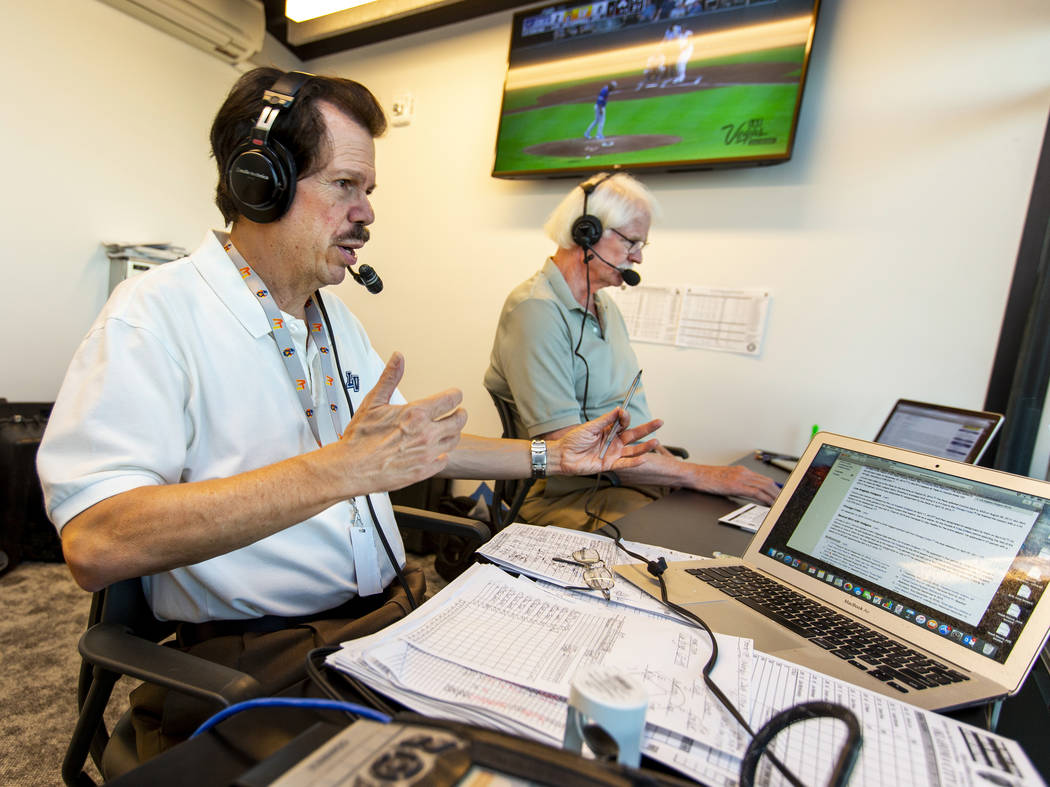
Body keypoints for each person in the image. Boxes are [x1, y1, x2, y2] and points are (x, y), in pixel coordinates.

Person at [36, 69, 659, 757]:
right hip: (260, 660)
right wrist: (337, 470)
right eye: (345, 186)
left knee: (565, 720)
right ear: (259, 180)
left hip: (388, 621)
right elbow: (95, 543)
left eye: (369, 191)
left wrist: (554, 454)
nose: (367, 212)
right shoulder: (153, 319)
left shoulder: (334, 319)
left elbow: (415, 448)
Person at [484, 171, 779, 532]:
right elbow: (564, 447)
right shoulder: (535, 310)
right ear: (586, 233)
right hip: (568, 492)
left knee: (726, 523)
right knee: (683, 537)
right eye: (632, 243)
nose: (638, 258)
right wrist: (699, 474)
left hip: (624, 477)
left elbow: (633, 423)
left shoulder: (604, 306)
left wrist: (686, 476)